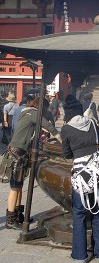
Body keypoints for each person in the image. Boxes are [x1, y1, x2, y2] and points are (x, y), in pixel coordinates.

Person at [61, 94, 99, 263]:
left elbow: (66, 153)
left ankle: (80, 255)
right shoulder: (92, 124)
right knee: (98, 212)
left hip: (81, 175)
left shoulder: (66, 129)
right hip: (97, 173)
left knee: (79, 213)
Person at [6, 97, 61, 229]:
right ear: (42, 107)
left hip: (19, 151)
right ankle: (11, 220)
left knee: (19, 185)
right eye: (46, 109)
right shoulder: (34, 113)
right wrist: (62, 141)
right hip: (16, 153)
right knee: (15, 187)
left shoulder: (27, 112)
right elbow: (49, 126)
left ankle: (19, 215)